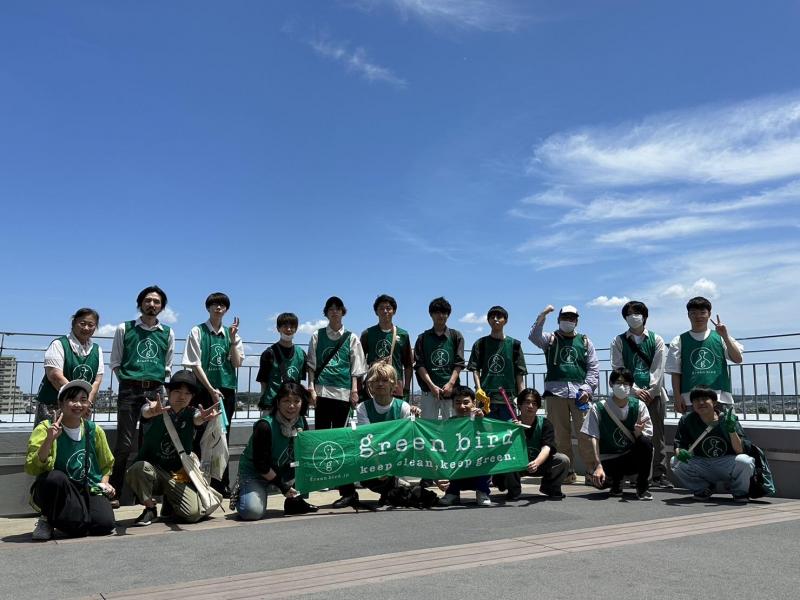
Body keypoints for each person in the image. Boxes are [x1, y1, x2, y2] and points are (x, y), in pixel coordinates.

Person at [125, 370, 220, 526]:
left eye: (187, 394)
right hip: (153, 471)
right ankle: (150, 508)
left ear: (192, 397)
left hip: (178, 475)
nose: (182, 397)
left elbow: (197, 418)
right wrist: (151, 411)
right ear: (168, 392)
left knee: (193, 514)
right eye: (177, 391)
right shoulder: (157, 409)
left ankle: (171, 502)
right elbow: (145, 412)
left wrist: (203, 418)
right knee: (138, 468)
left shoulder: (192, 413)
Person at [108, 285, 175, 505]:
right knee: (124, 444)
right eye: (148, 300)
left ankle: (146, 495)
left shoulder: (168, 332)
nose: (152, 304)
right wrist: (128, 382)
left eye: (157, 301)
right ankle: (115, 492)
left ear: (162, 307)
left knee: (151, 443)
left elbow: (167, 365)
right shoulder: (124, 328)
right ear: (140, 303)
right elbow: (116, 362)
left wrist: (160, 390)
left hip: (155, 390)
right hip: (129, 389)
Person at [25, 380, 115, 540]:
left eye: (83, 399)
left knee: (105, 525)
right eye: (72, 399)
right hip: (61, 490)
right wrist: (49, 440)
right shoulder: (45, 428)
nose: (78, 404)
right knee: (54, 478)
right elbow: (33, 468)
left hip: (89, 487)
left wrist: (105, 483)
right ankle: (47, 519)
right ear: (61, 403)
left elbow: (106, 464)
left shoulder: (94, 430)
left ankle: (77, 518)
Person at [307, 296, 367, 509]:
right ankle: (326, 477)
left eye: (338, 309)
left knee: (341, 440)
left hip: (342, 394)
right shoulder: (317, 335)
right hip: (322, 392)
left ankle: (346, 489)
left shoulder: (351, 337)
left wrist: (354, 390)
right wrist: (311, 388)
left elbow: (355, 367)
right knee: (323, 437)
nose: (334, 312)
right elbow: (312, 366)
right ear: (326, 312)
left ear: (343, 312)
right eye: (331, 309)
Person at [529, 304, 599, 484]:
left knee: (586, 435)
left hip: (579, 395)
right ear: (559, 319)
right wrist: (542, 315)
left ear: (577, 321)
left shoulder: (585, 341)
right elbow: (533, 336)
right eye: (565, 317)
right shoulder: (550, 339)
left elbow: (593, 368)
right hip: (555, 393)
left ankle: (592, 471)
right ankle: (566, 473)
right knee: (560, 437)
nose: (569, 321)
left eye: (572, 318)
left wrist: (588, 389)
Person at [182, 292, 244, 495]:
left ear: (226, 309)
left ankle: (221, 482)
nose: (218, 308)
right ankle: (198, 481)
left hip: (226, 391)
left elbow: (237, 363)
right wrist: (210, 389)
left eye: (222, 305)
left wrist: (234, 340)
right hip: (203, 390)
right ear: (208, 307)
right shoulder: (197, 331)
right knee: (199, 434)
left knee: (224, 435)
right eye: (214, 304)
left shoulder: (231, 333)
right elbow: (194, 364)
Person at [345, 362, 426, 509]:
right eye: (375, 380)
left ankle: (395, 488)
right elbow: (368, 439)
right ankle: (395, 489)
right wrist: (380, 466)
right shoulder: (362, 408)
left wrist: (416, 419)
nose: (380, 384)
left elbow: (409, 439)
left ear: (393, 384)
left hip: (397, 458)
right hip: (374, 458)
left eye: (384, 380)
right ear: (370, 384)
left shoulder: (403, 407)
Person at [610, 300, 671, 488]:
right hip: (628, 395)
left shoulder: (657, 339)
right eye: (629, 313)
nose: (633, 316)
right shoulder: (618, 341)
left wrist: (651, 390)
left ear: (645, 316)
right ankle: (634, 474)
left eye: (636, 313)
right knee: (630, 434)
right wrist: (634, 389)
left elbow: (658, 367)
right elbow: (618, 367)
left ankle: (659, 474)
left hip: (654, 395)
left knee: (657, 435)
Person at [236, 382, 317, 519]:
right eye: (286, 401)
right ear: (278, 402)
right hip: (257, 472)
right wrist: (283, 486)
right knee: (252, 512)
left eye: (296, 401)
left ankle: (295, 502)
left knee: (308, 465)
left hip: (283, 469)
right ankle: (242, 492)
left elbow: (304, 455)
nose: (291, 406)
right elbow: (261, 465)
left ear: (303, 403)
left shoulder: (302, 422)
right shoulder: (265, 426)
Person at [671, 386, 754, 504]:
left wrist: (731, 430)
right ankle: (702, 489)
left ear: (714, 402)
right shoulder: (687, 420)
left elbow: (740, 450)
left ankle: (739, 491)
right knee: (675, 462)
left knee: (745, 461)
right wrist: (680, 453)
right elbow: (680, 443)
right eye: (696, 400)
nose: (700, 403)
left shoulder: (727, 418)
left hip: (726, 462)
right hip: (702, 462)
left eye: (705, 399)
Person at [582, 368, 654, 501]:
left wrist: (638, 433)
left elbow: (648, 438)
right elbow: (593, 437)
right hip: (608, 459)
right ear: (611, 384)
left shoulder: (639, 406)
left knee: (645, 443)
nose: (622, 386)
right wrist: (597, 465)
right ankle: (615, 481)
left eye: (626, 383)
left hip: (629, 457)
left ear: (631, 386)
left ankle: (642, 486)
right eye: (619, 382)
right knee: (600, 482)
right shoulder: (598, 408)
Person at [665, 297, 743, 413]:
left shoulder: (720, 337)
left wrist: (725, 336)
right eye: (694, 313)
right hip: (690, 399)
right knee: (693, 431)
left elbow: (738, 359)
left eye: (702, 312)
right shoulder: (679, 340)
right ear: (688, 315)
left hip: (720, 398)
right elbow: (675, 372)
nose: (698, 316)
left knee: (725, 430)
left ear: (709, 314)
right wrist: (677, 397)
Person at [35, 308, 105, 427]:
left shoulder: (97, 349)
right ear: (73, 323)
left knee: (78, 442)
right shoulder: (59, 344)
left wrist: (86, 403)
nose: (86, 328)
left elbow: (97, 381)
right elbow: (55, 376)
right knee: (48, 441)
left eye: (91, 325)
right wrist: (76, 401)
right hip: (53, 405)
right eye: (82, 323)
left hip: (81, 408)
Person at [505, 388, 570, 500]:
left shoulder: (545, 423)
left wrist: (536, 463)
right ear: (519, 405)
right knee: (506, 460)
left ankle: (550, 488)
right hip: (517, 466)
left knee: (563, 460)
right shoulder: (510, 425)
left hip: (539, 464)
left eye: (534, 403)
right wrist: (514, 432)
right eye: (527, 402)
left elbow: (547, 447)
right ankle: (513, 490)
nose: (530, 406)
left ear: (538, 407)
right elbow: (505, 450)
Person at [467, 306, 527, 422]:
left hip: (508, 401)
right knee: (486, 436)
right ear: (488, 320)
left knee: (508, 435)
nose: (495, 319)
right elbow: (475, 369)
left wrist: (522, 398)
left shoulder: (514, 345)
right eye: (492, 317)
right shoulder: (480, 344)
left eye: (499, 316)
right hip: (486, 402)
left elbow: (520, 373)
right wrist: (478, 388)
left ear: (506, 320)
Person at [437, 385, 493, 507]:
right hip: (456, 470)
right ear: (452, 405)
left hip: (478, 470)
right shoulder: (448, 424)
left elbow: (493, 440)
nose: (462, 406)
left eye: (466, 402)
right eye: (458, 402)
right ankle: (452, 493)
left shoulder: (482, 420)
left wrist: (482, 421)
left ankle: (482, 492)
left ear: (474, 403)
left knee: (483, 460)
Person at [413, 297, 466, 421]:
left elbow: (459, 362)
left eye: (444, 312)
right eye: (437, 312)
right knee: (428, 426)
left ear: (448, 315)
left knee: (452, 426)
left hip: (451, 392)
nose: (441, 315)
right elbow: (419, 365)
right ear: (431, 314)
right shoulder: (422, 338)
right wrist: (431, 385)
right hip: (428, 392)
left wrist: (451, 383)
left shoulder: (456, 336)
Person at [360, 294, 413, 401]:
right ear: (376, 312)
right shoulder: (368, 333)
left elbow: (408, 364)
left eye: (388, 308)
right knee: (373, 416)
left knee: (395, 417)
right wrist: (359, 387)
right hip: (374, 383)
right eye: (381, 308)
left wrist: (406, 388)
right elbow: (359, 363)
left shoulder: (403, 334)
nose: (385, 311)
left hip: (395, 385)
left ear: (394, 311)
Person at [256, 312, 307, 416]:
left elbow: (299, 380)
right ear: (278, 328)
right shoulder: (269, 353)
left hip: (292, 406)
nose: (288, 329)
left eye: (292, 326)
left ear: (296, 329)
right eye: (285, 326)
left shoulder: (301, 354)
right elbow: (263, 382)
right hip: (272, 404)